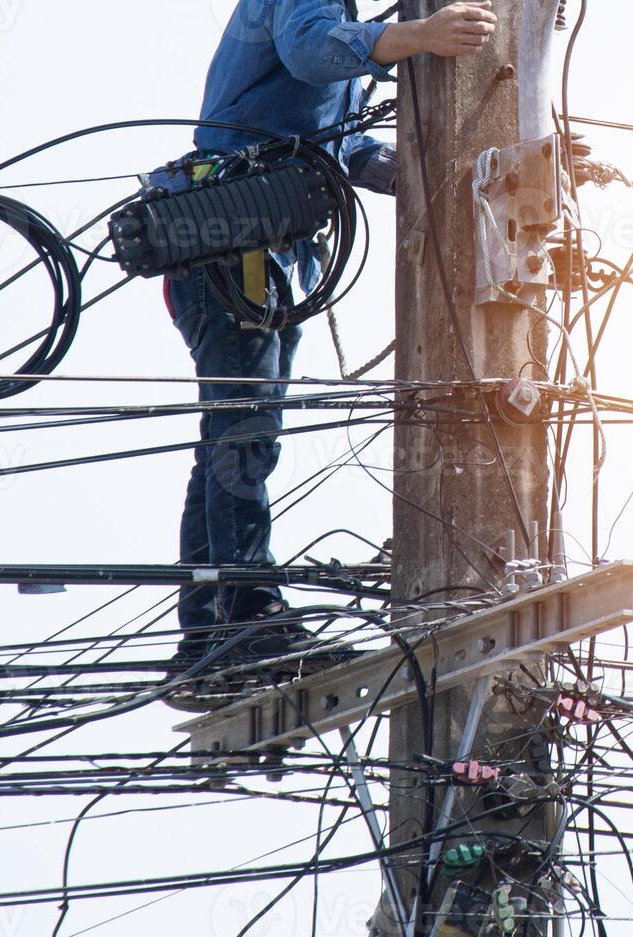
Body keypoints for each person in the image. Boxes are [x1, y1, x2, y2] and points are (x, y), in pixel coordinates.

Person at [159, 1, 499, 684]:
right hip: (231, 246)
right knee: (244, 437)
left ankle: (211, 633)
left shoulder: (344, 28)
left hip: (263, 255)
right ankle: (246, 618)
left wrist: (491, 166)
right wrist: (422, 36)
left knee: (238, 438)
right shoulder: (311, 11)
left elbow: (345, 150)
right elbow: (312, 52)